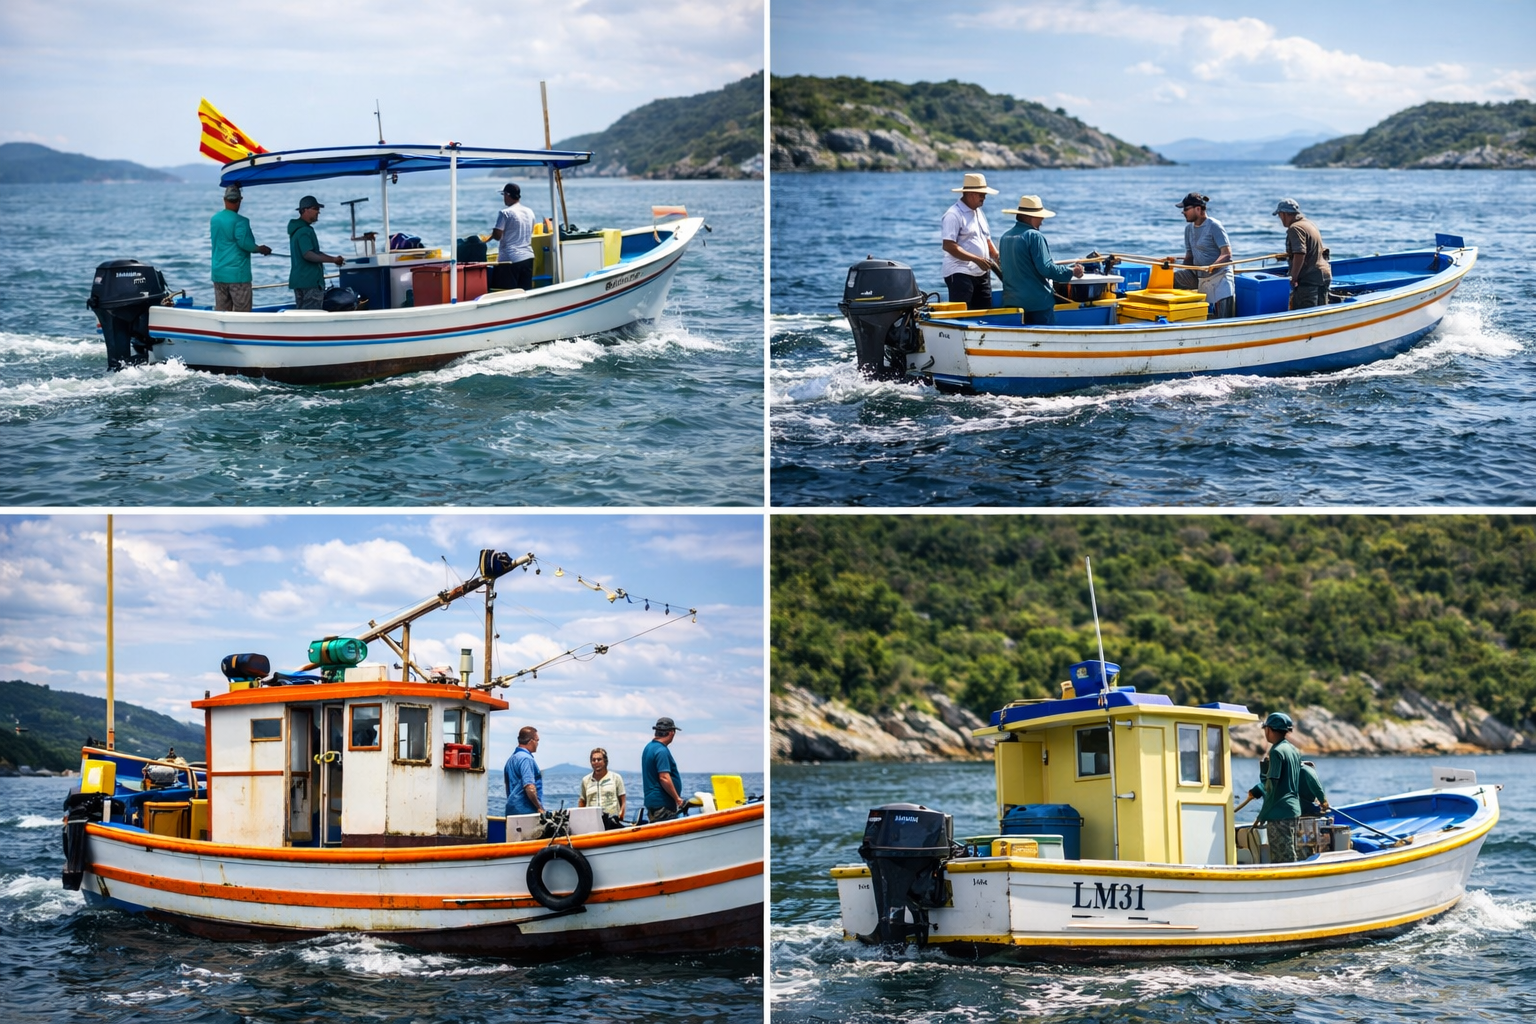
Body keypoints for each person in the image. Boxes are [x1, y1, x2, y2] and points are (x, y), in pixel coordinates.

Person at [997, 194, 1083, 325]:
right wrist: (1072, 272)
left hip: (1012, 303)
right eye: (1040, 216)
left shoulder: (1005, 237)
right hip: (1037, 304)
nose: (1042, 220)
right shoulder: (1034, 236)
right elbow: (1046, 268)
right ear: (1031, 217)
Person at [1243, 711, 1303, 862]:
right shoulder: (1294, 750)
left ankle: (1289, 884)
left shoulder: (1276, 752)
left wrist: (1263, 814)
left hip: (1279, 813)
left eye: (1265, 729)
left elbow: (1272, 787)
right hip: (1293, 810)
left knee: (1283, 858)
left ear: (1269, 729)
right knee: (1291, 851)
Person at [1166, 193, 1235, 319]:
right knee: (1167, 279)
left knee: (1221, 321)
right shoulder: (1188, 229)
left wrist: (1212, 266)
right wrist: (1173, 264)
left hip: (1219, 279)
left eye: (1186, 209)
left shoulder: (1214, 225)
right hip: (1199, 278)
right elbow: (1189, 258)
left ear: (1198, 209)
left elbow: (1227, 254)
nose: (1183, 212)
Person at [940, 173, 1001, 310]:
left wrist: (996, 256)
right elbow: (948, 245)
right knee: (963, 315)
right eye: (981, 194)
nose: (984, 197)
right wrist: (976, 259)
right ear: (970, 194)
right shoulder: (953, 214)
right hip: (960, 273)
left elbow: (986, 239)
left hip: (982, 273)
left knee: (985, 313)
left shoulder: (979, 212)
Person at [210, 185, 271, 312]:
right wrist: (261, 249)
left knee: (222, 312)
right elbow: (245, 244)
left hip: (218, 274)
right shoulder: (241, 221)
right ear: (240, 200)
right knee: (242, 314)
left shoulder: (214, 220)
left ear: (224, 199)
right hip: (237, 276)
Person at [287, 196, 345, 309]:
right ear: (305, 210)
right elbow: (308, 254)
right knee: (311, 318)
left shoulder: (296, 230)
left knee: (302, 317)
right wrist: (333, 260)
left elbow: (312, 253)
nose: (318, 211)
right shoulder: (304, 231)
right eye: (315, 208)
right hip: (310, 282)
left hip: (299, 281)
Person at [1274, 198, 1331, 309]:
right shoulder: (1309, 224)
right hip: (1323, 275)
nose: (1280, 219)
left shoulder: (1295, 228)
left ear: (1284, 214)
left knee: (1305, 312)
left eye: (1279, 215)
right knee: (1321, 311)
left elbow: (1300, 253)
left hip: (1309, 279)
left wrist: (1293, 277)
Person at [490, 182, 536, 291]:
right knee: (525, 292)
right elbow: (531, 230)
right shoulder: (529, 212)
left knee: (505, 293)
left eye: (504, 195)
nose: (504, 198)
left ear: (508, 195)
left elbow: (497, 236)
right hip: (528, 257)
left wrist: (491, 234)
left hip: (510, 260)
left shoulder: (505, 213)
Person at [641, 716, 685, 823]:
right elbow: (664, 778)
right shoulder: (662, 751)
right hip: (663, 804)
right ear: (671, 733)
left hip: (653, 803)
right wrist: (677, 799)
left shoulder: (649, 748)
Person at [578, 746, 627, 826]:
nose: (596, 762)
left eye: (599, 759)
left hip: (612, 821)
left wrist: (621, 816)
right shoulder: (586, 780)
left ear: (605, 761)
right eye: (593, 760)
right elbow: (582, 802)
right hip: (592, 822)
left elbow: (623, 800)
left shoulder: (615, 778)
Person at [502, 725, 544, 817]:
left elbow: (507, 784)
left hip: (511, 810)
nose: (537, 744)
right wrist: (539, 807)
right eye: (537, 740)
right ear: (531, 741)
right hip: (525, 812)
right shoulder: (526, 759)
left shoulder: (511, 759)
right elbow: (529, 787)